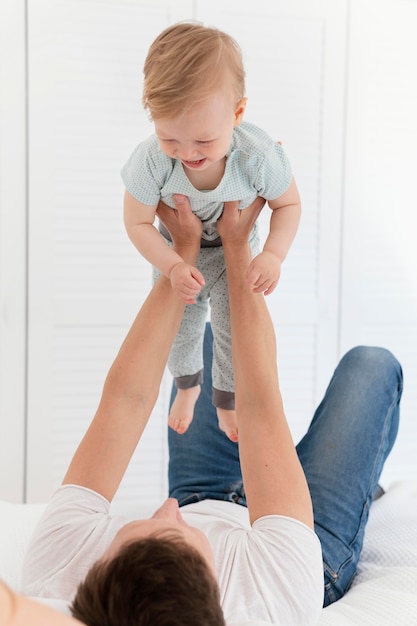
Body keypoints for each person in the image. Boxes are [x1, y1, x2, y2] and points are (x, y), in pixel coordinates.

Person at [20, 196, 402, 626]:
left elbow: (125, 399)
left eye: (135, 529)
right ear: (218, 592)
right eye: (178, 531)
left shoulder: (56, 570)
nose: (166, 507)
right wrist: (237, 250)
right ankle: (353, 497)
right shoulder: (272, 597)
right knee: (372, 365)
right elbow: (261, 404)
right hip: (305, 544)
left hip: (203, 493)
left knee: (205, 348)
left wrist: (183, 254)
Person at [121, 21, 301, 441]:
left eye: (202, 140)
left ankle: (226, 400)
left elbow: (287, 204)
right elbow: (137, 223)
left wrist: (273, 254)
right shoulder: (151, 161)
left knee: (233, 330)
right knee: (177, 331)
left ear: (237, 113)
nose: (186, 153)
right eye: (169, 138)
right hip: (176, 257)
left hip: (232, 258)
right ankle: (187, 386)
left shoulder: (256, 156)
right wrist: (170, 265)